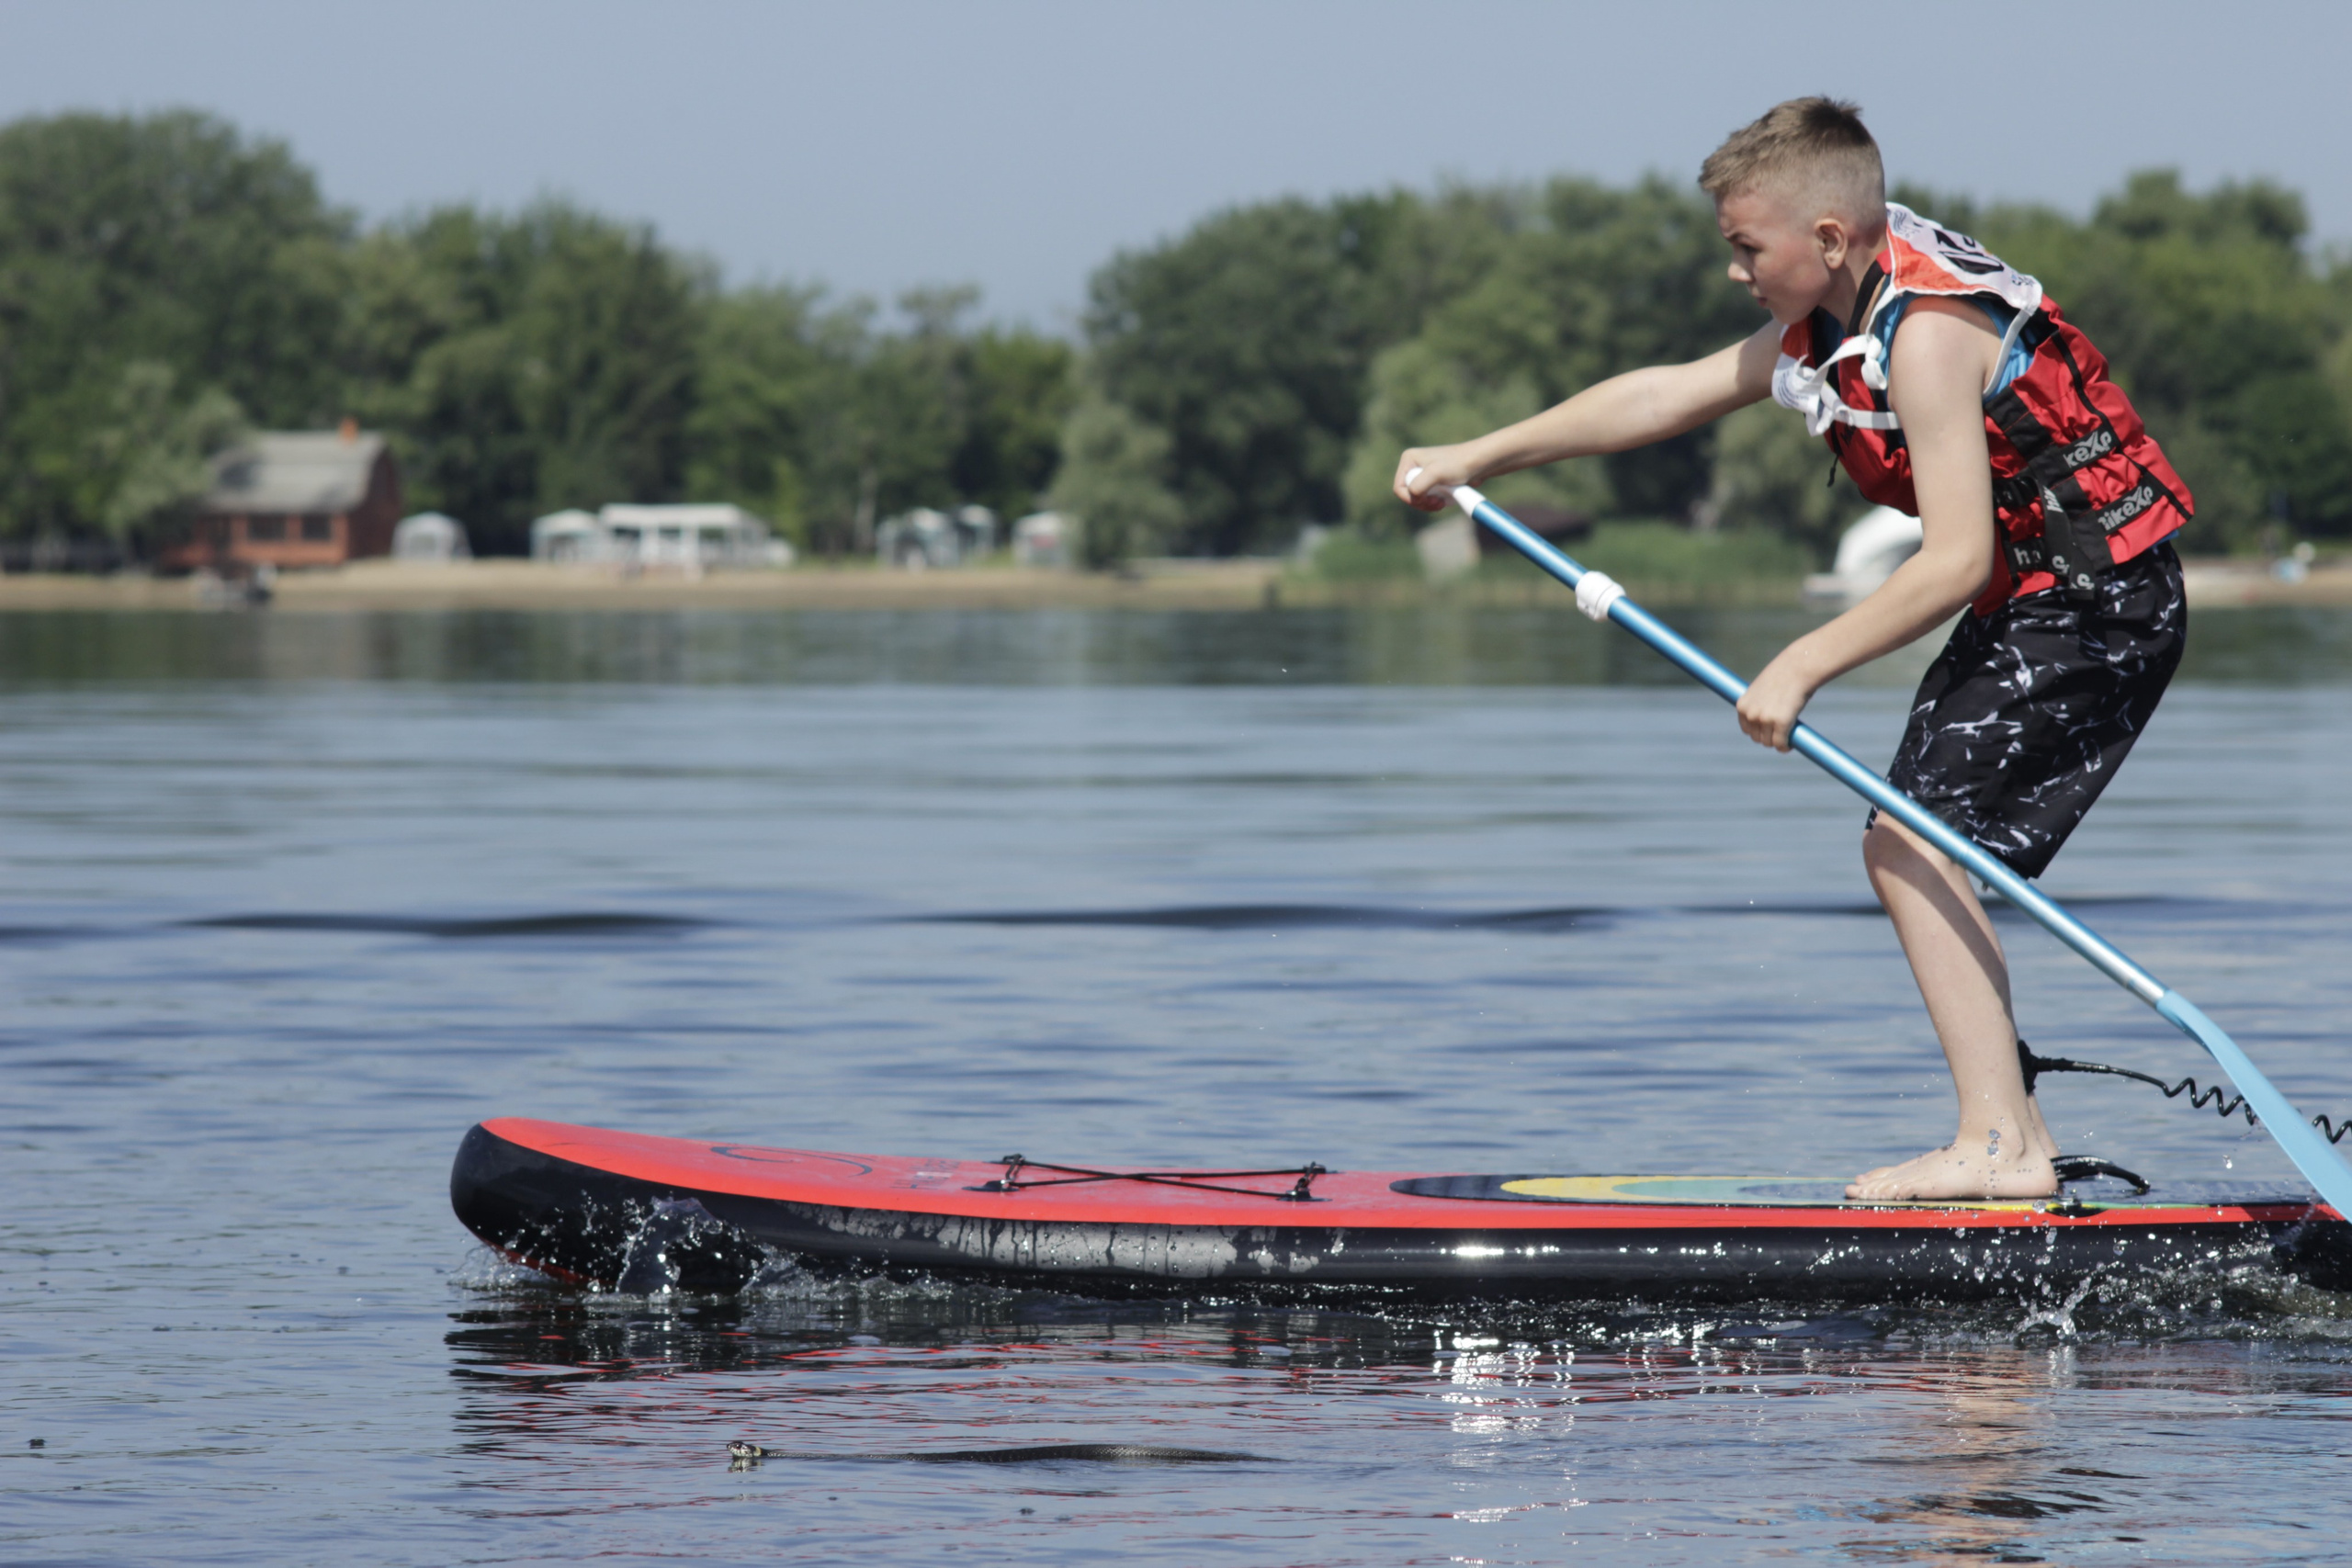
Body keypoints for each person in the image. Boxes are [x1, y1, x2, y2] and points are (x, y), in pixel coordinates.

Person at [1394, 97, 2191, 1201]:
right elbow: (1665, 395)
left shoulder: (1926, 336)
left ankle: (2000, 1147)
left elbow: (1955, 559)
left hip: (2099, 607)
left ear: (1825, 237)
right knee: (1911, 844)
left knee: (1909, 846)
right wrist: (1475, 456)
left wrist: (1802, 662)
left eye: (1745, 248)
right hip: (2040, 603)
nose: (1734, 272)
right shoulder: (1838, 309)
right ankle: (2009, 1139)